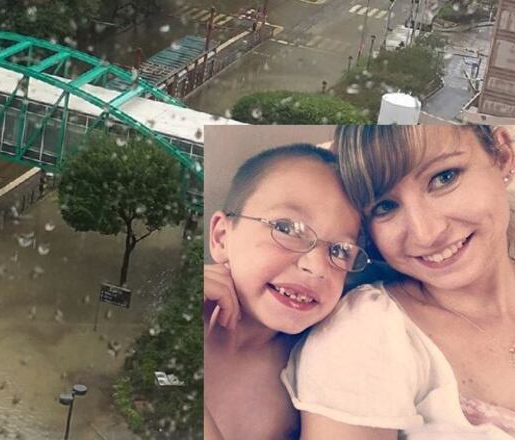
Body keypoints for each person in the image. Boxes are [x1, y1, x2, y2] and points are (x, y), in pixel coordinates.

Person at [282, 125, 515, 439]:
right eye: (385, 207)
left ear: (502, 155)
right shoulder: (366, 332)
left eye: (444, 178)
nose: (426, 233)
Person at [205, 144, 369, 439]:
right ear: (221, 237)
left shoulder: (322, 374)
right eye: (289, 229)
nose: (316, 267)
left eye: (340, 250)